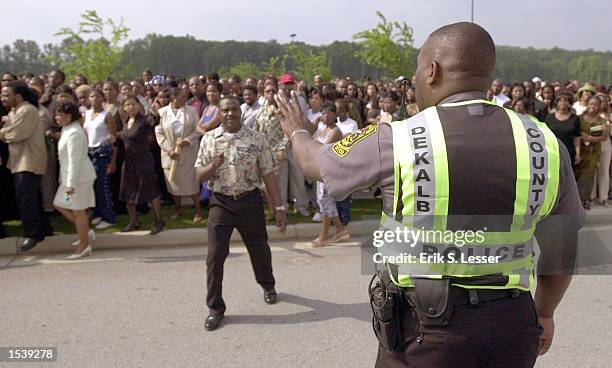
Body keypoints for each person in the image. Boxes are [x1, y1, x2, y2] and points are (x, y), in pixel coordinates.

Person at [275, 22, 583, 367]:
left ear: (432, 70)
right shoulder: (545, 144)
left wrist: (298, 130)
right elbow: (562, 247)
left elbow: (314, 162)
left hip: (427, 331)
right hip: (512, 327)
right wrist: (545, 313)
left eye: (417, 68)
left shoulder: (396, 138)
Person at [195, 96, 287, 331]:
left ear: (240, 112)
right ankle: (215, 309)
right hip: (221, 204)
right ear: (220, 113)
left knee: (259, 249)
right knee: (215, 256)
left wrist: (278, 207)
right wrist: (212, 166)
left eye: (234, 110)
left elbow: (268, 174)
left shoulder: (257, 139)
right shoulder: (209, 139)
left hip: (249, 201)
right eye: (225, 110)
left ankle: (268, 285)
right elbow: (199, 176)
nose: (230, 114)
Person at [0, 81, 51, 251]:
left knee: (26, 200)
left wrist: (2, 132)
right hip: (19, 161)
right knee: (32, 198)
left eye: (7, 95)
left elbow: (17, 134)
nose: (3, 98)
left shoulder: (27, 110)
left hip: (29, 161)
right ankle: (44, 228)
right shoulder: (15, 111)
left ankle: (32, 234)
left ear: (18, 96)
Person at [53, 102, 96, 259]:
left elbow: (74, 160)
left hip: (79, 178)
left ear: (69, 116)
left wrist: (70, 184)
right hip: (69, 177)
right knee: (59, 204)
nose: (56, 117)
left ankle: (83, 246)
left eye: (59, 114)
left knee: (79, 212)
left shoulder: (75, 133)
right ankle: (84, 231)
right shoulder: (67, 129)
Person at [117, 95, 164, 234]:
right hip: (129, 161)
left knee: (150, 190)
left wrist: (155, 113)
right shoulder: (126, 122)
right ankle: (134, 221)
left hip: (143, 160)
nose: (130, 107)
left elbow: (153, 121)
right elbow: (124, 136)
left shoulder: (144, 119)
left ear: (138, 106)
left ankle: (159, 221)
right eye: (127, 105)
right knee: (127, 191)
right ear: (124, 108)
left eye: (133, 104)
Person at [155, 87, 202, 222]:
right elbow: (159, 134)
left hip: (188, 153)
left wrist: (187, 141)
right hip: (170, 154)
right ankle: (178, 209)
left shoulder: (191, 111)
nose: (185, 98)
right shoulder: (162, 112)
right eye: (182, 96)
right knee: (173, 184)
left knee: (191, 183)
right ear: (173, 98)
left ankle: (198, 211)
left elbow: (197, 130)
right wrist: (169, 150)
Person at [311, 103, 348, 246]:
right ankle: (340, 229)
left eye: (329, 113)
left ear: (335, 114)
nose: (326, 115)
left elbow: (321, 149)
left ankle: (324, 235)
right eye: (323, 113)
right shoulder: (323, 128)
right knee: (323, 200)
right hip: (321, 169)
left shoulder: (335, 131)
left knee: (325, 200)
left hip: (330, 170)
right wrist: (316, 121)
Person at [84, 89, 118, 230]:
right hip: (89, 152)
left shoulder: (107, 115)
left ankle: (109, 217)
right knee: (93, 186)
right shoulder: (86, 114)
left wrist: (112, 160)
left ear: (102, 99)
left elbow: (113, 137)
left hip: (102, 152)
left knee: (102, 187)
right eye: (92, 96)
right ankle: (98, 213)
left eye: (97, 96)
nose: (94, 99)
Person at [254, 83, 288, 217]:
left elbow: (288, 132)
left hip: (278, 152)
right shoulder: (260, 111)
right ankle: (272, 210)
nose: (270, 93)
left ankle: (282, 210)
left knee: (280, 184)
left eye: (273, 91)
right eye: (267, 91)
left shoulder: (282, 110)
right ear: (263, 93)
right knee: (266, 184)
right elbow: (256, 130)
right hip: (264, 152)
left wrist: (283, 148)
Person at [575, 96, 608, 209]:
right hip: (579, 150)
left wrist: (590, 138)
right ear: (587, 105)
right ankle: (575, 200)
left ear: (599, 106)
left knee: (588, 176)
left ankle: (585, 200)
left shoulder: (601, 120)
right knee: (577, 174)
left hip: (593, 153)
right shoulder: (579, 118)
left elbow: (604, 137)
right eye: (590, 104)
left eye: (595, 104)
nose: (592, 106)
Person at [544, 89, 582, 169]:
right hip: (552, 151)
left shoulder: (575, 119)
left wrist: (578, 154)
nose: (563, 103)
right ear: (557, 102)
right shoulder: (549, 117)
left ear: (569, 103)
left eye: (566, 101)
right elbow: (545, 135)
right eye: (560, 100)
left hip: (568, 152)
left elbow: (577, 138)